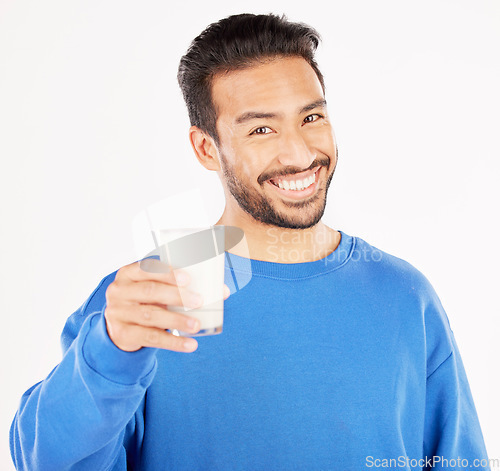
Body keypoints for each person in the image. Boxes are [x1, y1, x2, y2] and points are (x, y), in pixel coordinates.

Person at [10, 13, 490, 471]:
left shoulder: (405, 295)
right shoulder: (148, 299)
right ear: (205, 148)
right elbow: (44, 461)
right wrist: (110, 352)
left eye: (312, 118)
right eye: (261, 129)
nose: (300, 153)